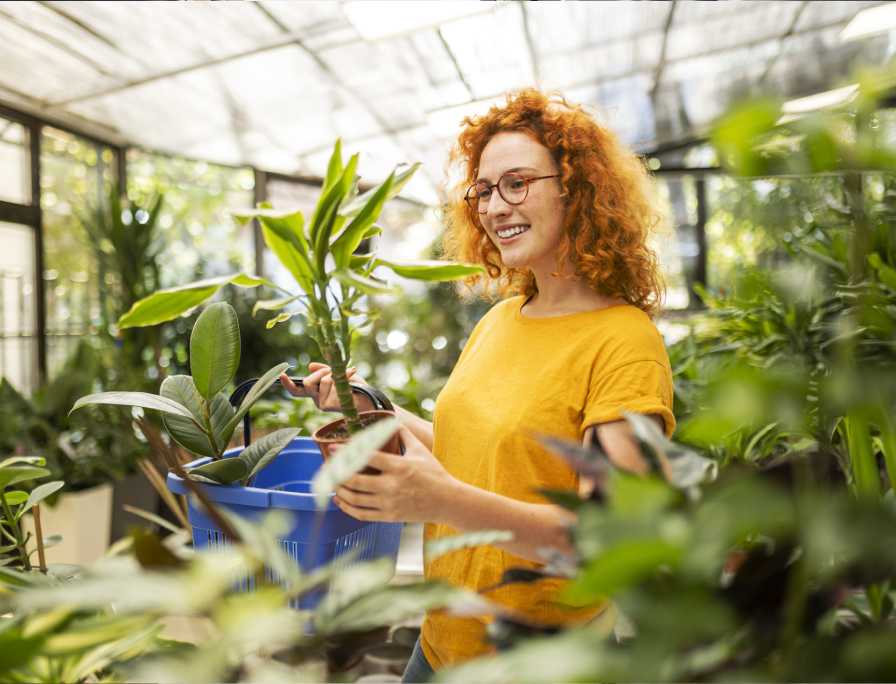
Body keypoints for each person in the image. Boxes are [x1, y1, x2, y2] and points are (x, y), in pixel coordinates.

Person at [280, 88, 675, 681]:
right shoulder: (500, 320)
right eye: (484, 190)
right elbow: (474, 454)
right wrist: (370, 408)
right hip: (440, 642)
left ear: (577, 188)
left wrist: (438, 501)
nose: (494, 207)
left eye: (516, 182)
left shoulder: (624, 341)